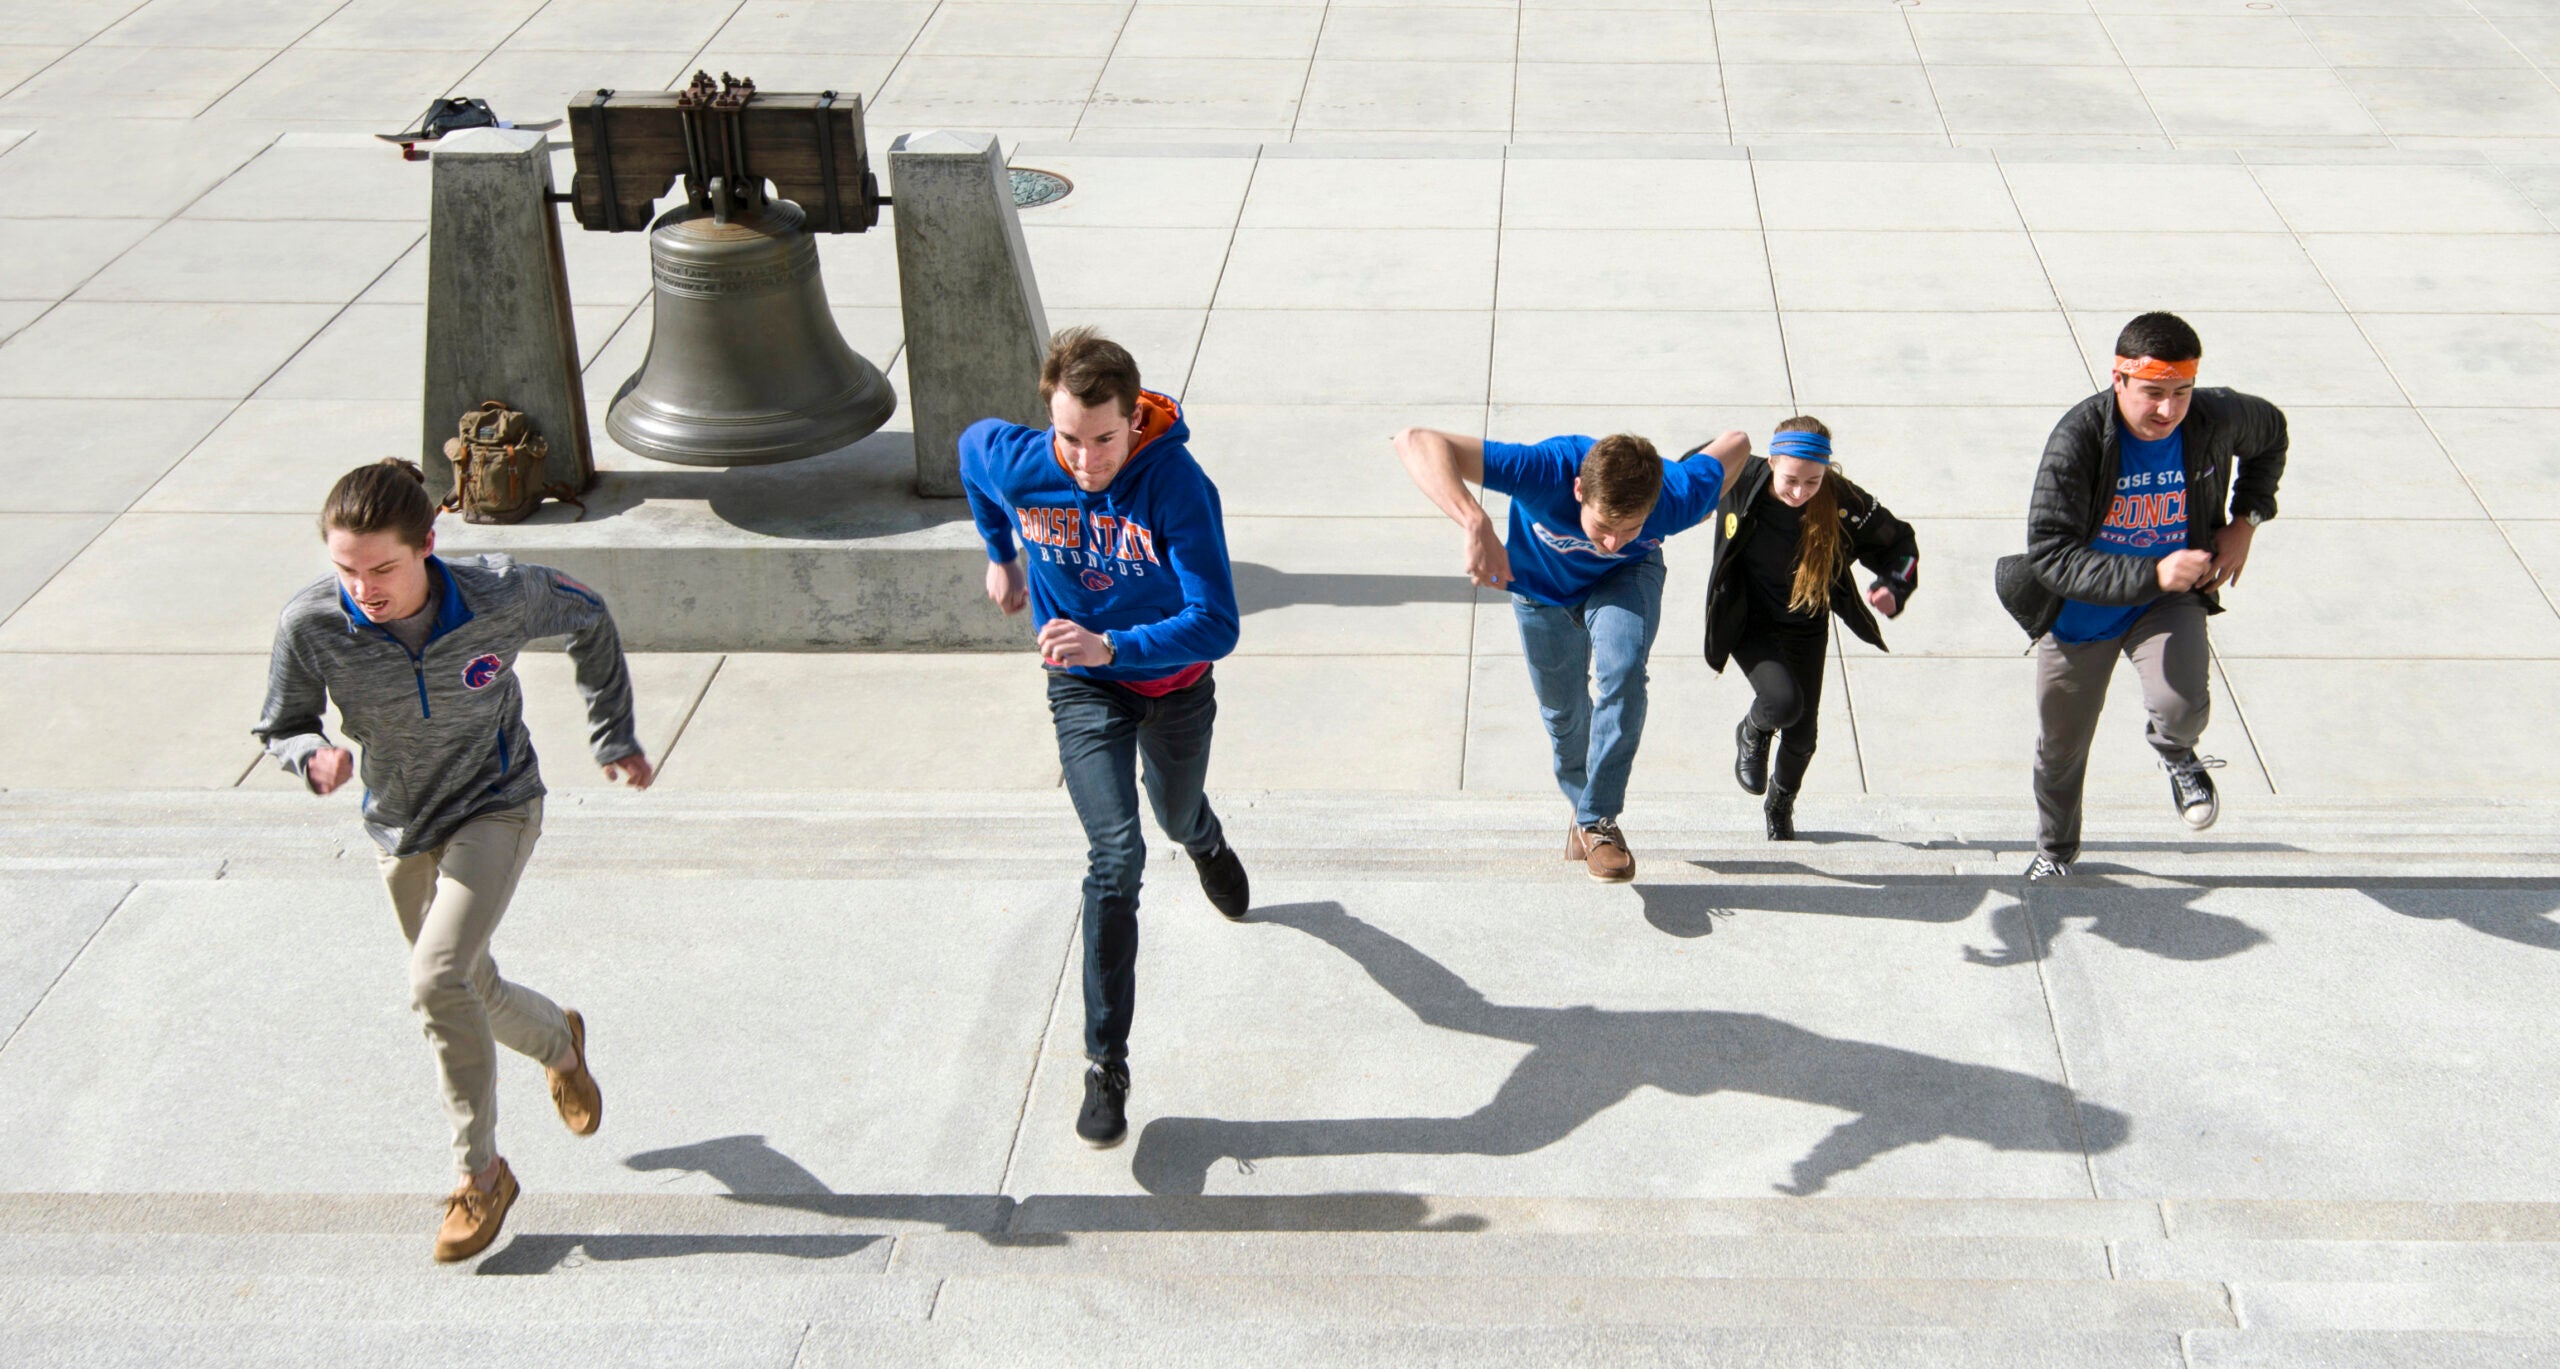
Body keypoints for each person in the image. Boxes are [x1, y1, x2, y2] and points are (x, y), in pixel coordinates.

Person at [253, 459, 651, 1263]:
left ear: (428, 546)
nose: (363, 588)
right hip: (401, 824)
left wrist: (613, 735)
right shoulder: (312, 624)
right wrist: (310, 755)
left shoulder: (500, 593)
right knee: (471, 984)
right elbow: (281, 721)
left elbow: (591, 617)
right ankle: (560, 1042)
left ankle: (481, 1175)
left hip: (496, 802)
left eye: (383, 568)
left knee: (436, 979)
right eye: (346, 570)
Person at [961, 327, 1249, 1151]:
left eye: (1103, 440)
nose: (1084, 461)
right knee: (1115, 854)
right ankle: (1106, 1064)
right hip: (1082, 687)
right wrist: (1001, 554)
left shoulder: (1177, 487)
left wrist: (1116, 645)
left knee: (1174, 812)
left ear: (1137, 420)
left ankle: (1203, 836)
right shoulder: (1024, 461)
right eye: (1069, 439)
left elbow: (1217, 622)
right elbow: (970, 455)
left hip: (1170, 684)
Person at [1995, 311, 2288, 882]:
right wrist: (2155, 573)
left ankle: (2177, 753)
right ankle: (2055, 852)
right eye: (2153, 393)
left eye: (2182, 392)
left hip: (2167, 600)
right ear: (2119, 380)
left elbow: (2271, 434)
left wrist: (2246, 519)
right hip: (2083, 613)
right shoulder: (2077, 439)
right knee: (2061, 749)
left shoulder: (2215, 418)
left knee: (2182, 708)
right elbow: (2052, 555)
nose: (2168, 410)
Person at [1397, 423, 1750, 881]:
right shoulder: (1543, 470)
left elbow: (1738, 443)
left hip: (1625, 579)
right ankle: (1582, 806)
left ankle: (1598, 821)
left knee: (1623, 674)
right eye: (1603, 526)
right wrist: (1473, 518)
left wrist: (1715, 495)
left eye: (1631, 527)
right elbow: (1415, 441)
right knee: (1563, 713)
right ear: (1579, 490)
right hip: (1539, 593)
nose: (1611, 542)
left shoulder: (1677, 494)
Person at [1701, 417, 1919, 840]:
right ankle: (1753, 729)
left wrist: (1893, 585)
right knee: (1783, 703)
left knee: (1803, 738)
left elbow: (1901, 544)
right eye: (1791, 480)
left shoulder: (1843, 501)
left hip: (1806, 620)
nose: (1800, 492)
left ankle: (1780, 805)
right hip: (1749, 617)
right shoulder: (1743, 476)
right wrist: (1687, 502)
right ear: (1773, 460)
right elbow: (1680, 476)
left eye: (1813, 481)